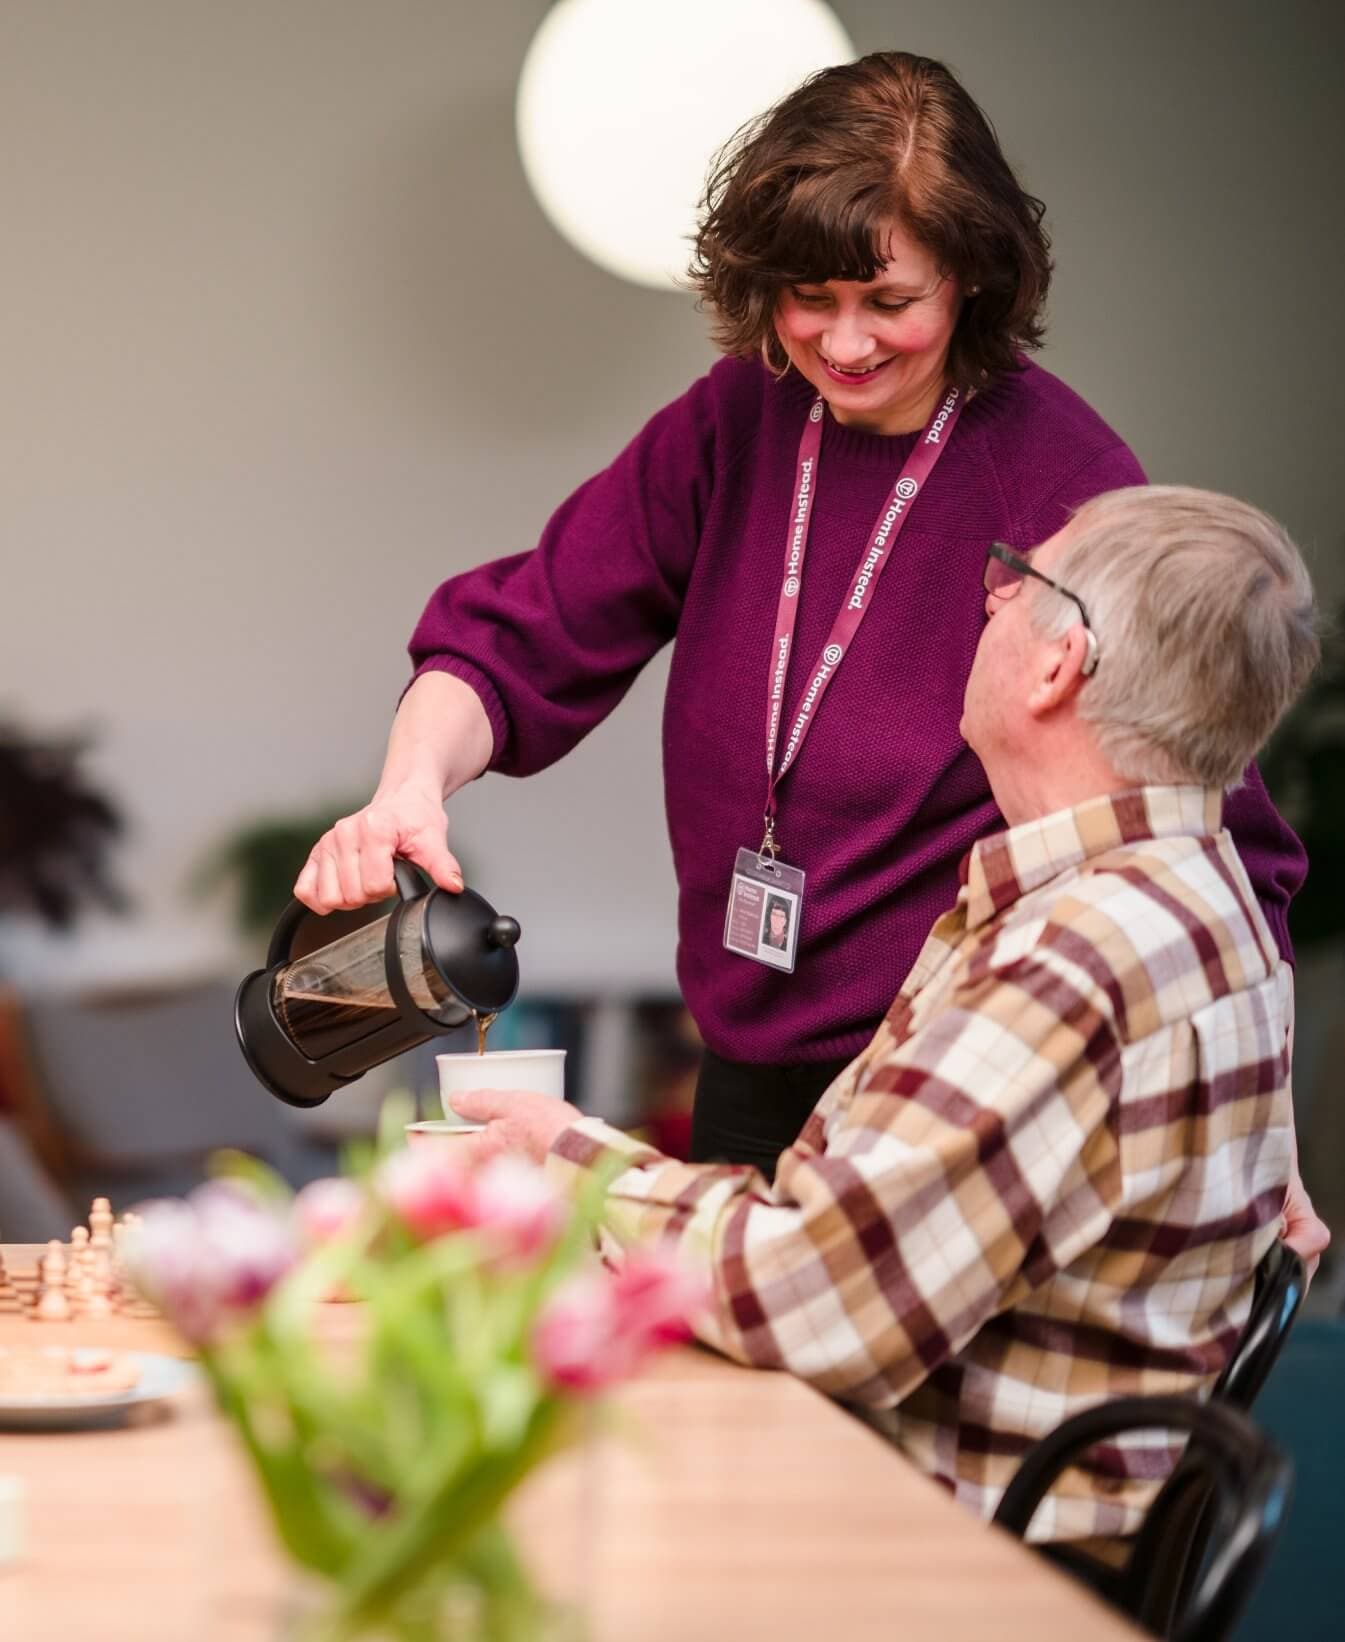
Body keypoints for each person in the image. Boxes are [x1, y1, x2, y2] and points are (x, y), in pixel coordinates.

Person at [294, 51, 1305, 1180]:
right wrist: (407, 790)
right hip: (738, 1060)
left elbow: (1218, 837)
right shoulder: (744, 416)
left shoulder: (1061, 482)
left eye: (890, 301)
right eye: (809, 298)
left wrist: (1266, 1148)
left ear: (969, 276)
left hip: (944, 1087)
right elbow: (518, 633)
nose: (845, 343)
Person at [449, 484, 1324, 1540]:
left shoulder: (1079, 954)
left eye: (1019, 579)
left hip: (936, 1554)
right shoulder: (1206, 891)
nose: (990, 599)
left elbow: (816, 1296)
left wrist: (569, 1162)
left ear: (1058, 664)